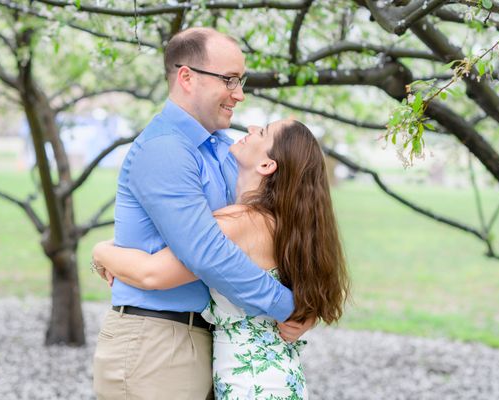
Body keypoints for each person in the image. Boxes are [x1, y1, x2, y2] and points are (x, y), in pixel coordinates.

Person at [92, 28, 312, 400]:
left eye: (240, 81)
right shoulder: (165, 150)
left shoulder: (229, 152)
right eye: (229, 80)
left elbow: (281, 225)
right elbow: (206, 252)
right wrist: (288, 306)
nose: (239, 94)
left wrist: (309, 303)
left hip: (210, 342)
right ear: (187, 77)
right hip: (156, 342)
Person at [93, 119, 350, 399]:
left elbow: (151, 273)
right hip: (281, 377)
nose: (251, 128)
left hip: (250, 383)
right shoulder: (286, 226)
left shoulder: (236, 223)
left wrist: (101, 252)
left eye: (262, 132)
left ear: (267, 165)